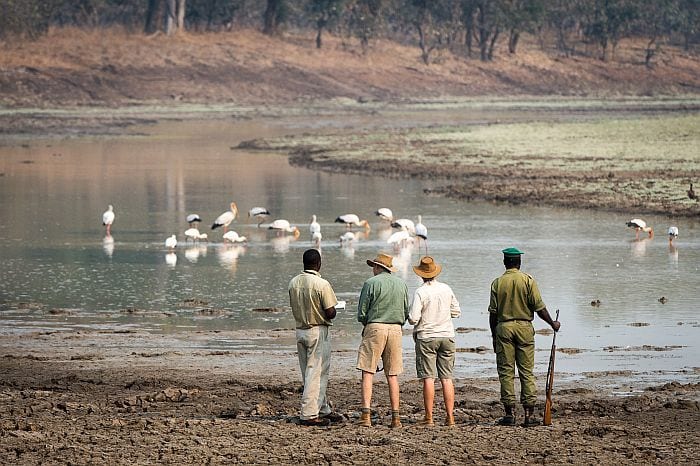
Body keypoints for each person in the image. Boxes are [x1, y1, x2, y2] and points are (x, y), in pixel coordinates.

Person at [488, 247, 561, 427]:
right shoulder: (528, 281)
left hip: (503, 328)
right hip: (524, 328)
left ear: (505, 262)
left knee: (505, 372)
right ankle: (528, 415)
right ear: (519, 263)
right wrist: (553, 323)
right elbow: (539, 308)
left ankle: (509, 414)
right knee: (526, 372)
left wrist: (494, 335)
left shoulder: (497, 283)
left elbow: (493, 314)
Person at [288, 249, 343, 426]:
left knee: (308, 372)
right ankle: (309, 414)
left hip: (300, 330)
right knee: (317, 372)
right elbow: (330, 312)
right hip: (317, 331)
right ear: (319, 264)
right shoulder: (322, 284)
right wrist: (336, 308)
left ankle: (323, 407)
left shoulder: (294, 282)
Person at [356, 252, 409, 428]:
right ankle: (396, 418)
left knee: (368, 371)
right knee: (392, 375)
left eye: (373, 266)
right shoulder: (401, 284)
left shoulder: (370, 283)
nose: (372, 269)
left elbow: (362, 312)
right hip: (395, 329)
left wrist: (367, 322)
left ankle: (366, 416)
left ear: (378, 267)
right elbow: (405, 311)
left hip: (375, 327)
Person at [408, 256, 461, 427]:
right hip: (447, 336)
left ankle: (429, 417)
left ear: (421, 274)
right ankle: (450, 417)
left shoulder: (420, 292)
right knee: (447, 378)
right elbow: (456, 311)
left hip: (426, 338)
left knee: (428, 378)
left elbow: (414, 318)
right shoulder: (446, 288)